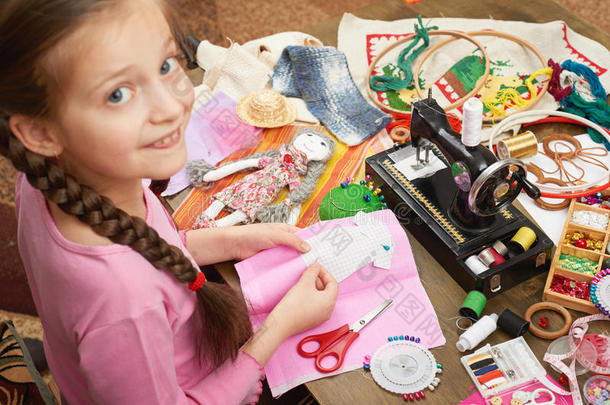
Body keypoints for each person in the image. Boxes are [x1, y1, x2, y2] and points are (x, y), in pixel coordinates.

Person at [0, 0, 338, 403]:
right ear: (40, 132)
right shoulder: (125, 304)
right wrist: (280, 326)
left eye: (165, 65)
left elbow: (143, 246)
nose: (171, 106)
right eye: (118, 94)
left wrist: (229, 241)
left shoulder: (48, 176)